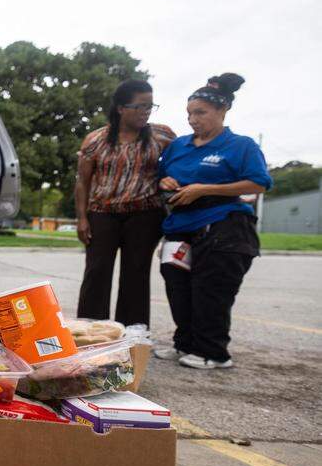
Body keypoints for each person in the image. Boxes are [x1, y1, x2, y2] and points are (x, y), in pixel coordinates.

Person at [155, 73, 271, 369]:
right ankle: (185, 344)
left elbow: (259, 183)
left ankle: (214, 352)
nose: (193, 119)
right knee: (179, 288)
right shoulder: (179, 146)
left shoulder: (240, 145)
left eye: (201, 113)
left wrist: (205, 189)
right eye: (190, 113)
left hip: (223, 228)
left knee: (211, 291)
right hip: (180, 229)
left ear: (222, 111)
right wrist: (165, 181)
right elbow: (160, 176)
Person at [75, 80, 175, 327]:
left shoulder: (161, 136)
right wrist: (82, 218)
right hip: (102, 214)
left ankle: (133, 333)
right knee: (96, 272)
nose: (146, 112)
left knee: (136, 274)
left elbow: (184, 160)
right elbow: (82, 181)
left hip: (145, 216)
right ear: (120, 108)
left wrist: (173, 178)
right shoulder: (95, 140)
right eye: (140, 106)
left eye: (150, 106)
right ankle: (91, 330)